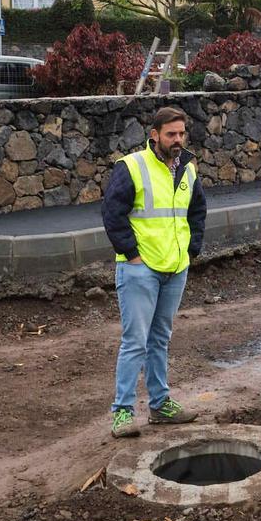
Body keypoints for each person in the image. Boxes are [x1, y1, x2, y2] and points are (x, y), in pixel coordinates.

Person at [100, 105, 207, 439]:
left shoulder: (188, 169)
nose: (177, 140)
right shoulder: (132, 166)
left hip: (175, 268)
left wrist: (191, 251)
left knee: (160, 338)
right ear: (154, 135)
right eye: (170, 134)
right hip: (141, 269)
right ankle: (122, 413)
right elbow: (112, 213)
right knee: (135, 341)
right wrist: (131, 254)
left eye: (181, 133)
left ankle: (160, 405)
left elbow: (197, 210)